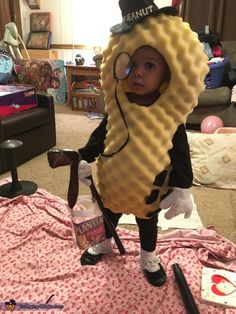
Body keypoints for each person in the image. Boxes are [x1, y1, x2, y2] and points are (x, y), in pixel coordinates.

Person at [77, 0, 208, 287]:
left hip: (149, 192)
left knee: (147, 224)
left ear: (168, 72)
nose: (138, 72)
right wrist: (83, 158)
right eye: (133, 64)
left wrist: (182, 187)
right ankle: (103, 244)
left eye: (150, 66)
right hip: (113, 186)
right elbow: (100, 137)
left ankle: (148, 256)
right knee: (106, 216)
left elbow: (181, 155)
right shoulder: (119, 107)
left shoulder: (168, 115)